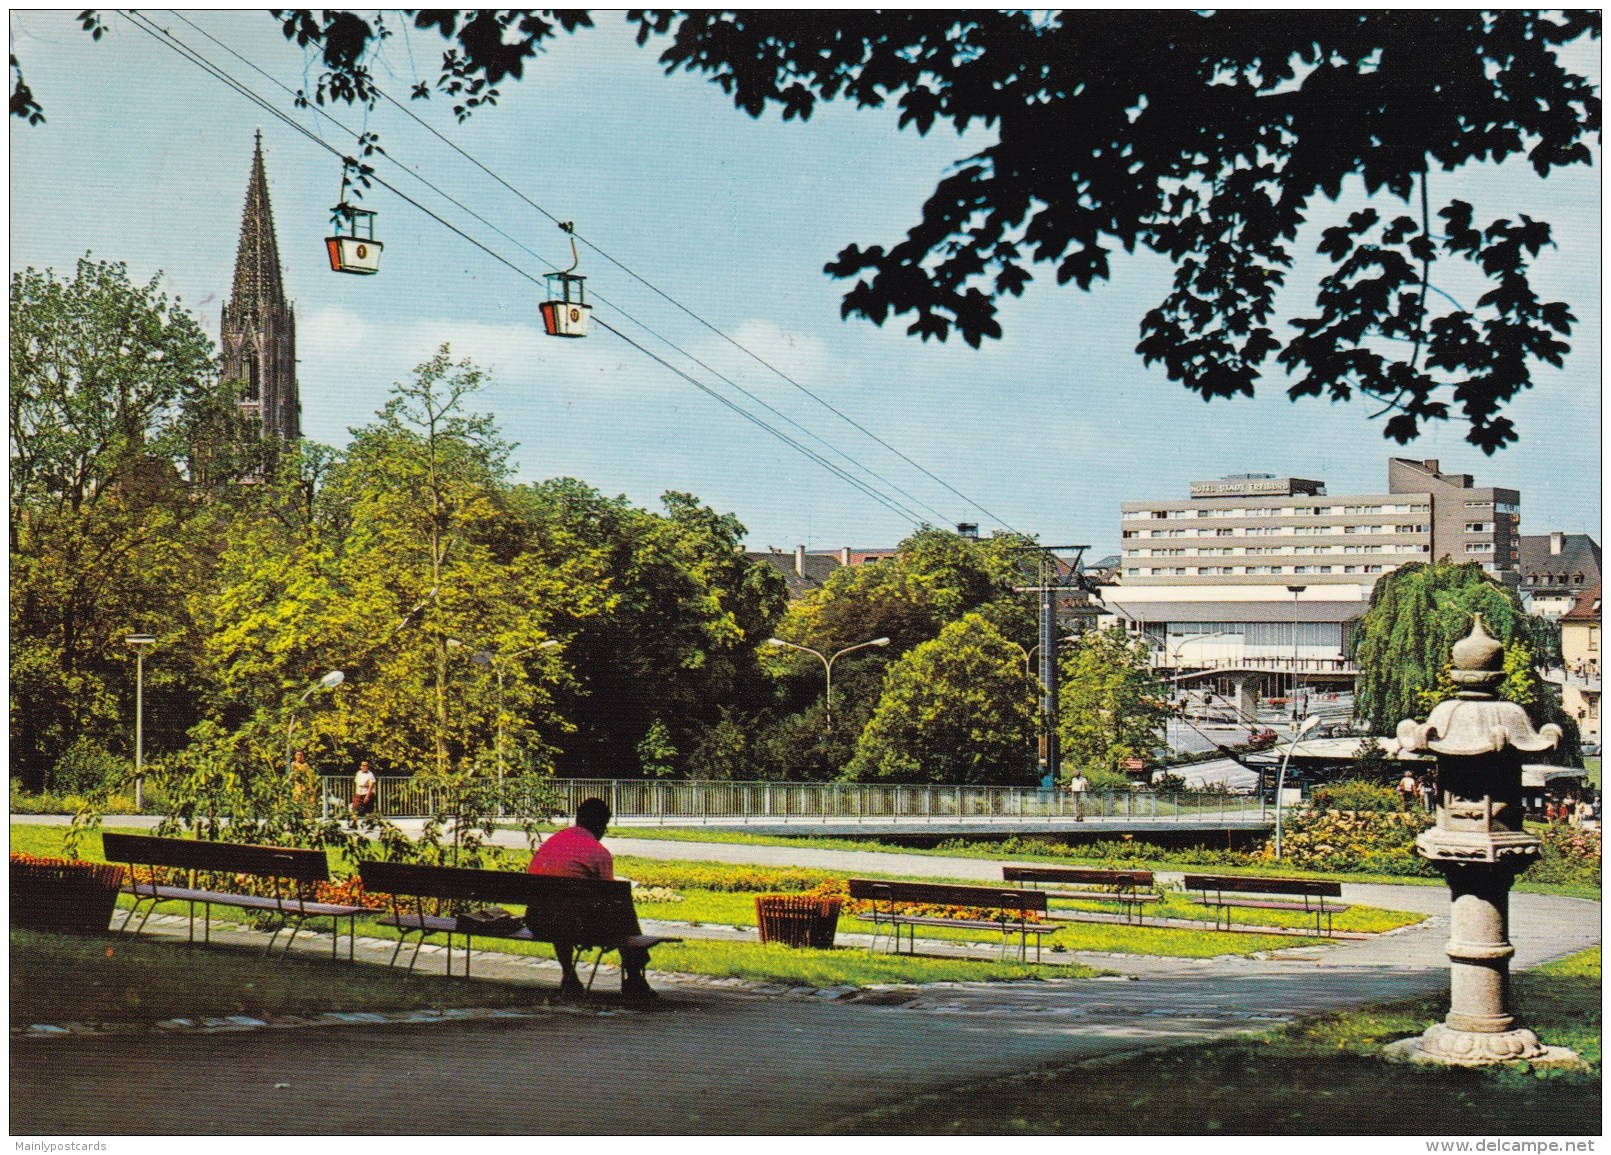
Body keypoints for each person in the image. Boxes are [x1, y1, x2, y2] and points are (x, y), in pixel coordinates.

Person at [527, 798, 654, 1001]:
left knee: (561, 912)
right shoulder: (597, 852)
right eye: (604, 826)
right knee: (621, 908)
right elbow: (610, 896)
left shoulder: (552, 842)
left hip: (538, 920)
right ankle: (634, 975)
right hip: (577, 926)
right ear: (599, 825)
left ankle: (569, 976)